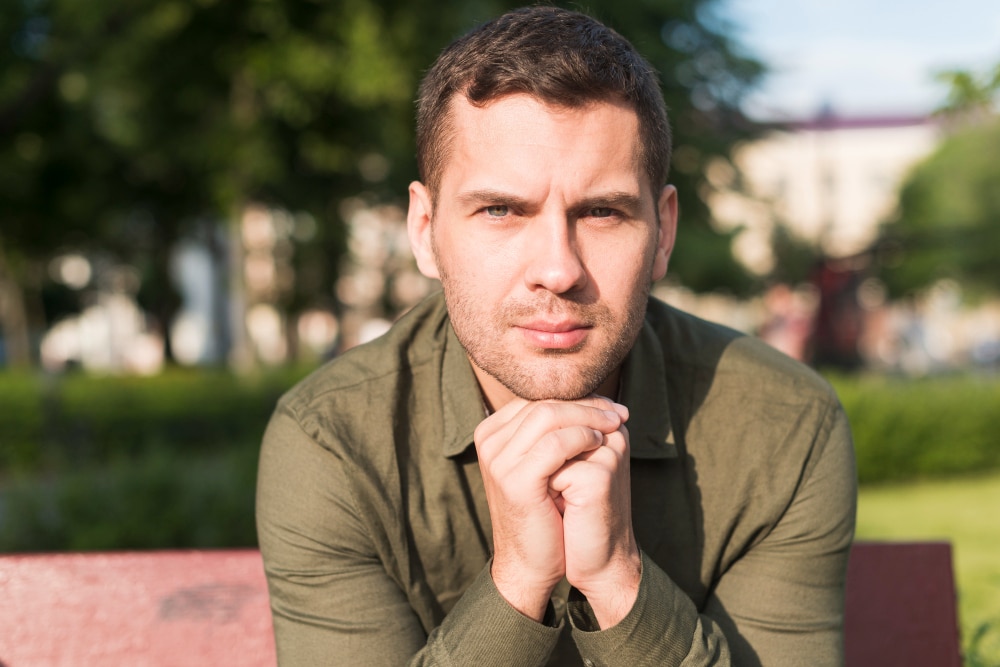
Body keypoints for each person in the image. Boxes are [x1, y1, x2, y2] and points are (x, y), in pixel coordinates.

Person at [256, 6, 857, 666]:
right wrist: (516, 584)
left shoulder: (784, 428)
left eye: (601, 212)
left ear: (664, 231)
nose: (557, 269)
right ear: (425, 229)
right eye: (500, 211)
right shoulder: (334, 443)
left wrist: (622, 582)